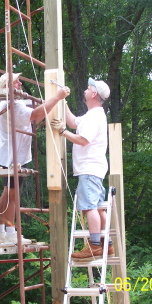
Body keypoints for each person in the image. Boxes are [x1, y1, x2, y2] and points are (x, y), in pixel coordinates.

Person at [0, 72, 71, 244]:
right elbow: (35, 115)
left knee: (8, 193)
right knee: (11, 195)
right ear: (7, 87)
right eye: (15, 82)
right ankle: (11, 233)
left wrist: (52, 102)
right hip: (12, 157)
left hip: (14, 155)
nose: (19, 83)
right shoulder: (10, 104)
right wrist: (56, 97)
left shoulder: (15, 103)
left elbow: (35, 116)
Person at [51, 77, 113, 260]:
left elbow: (84, 140)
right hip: (93, 169)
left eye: (88, 88)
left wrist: (63, 133)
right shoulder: (91, 115)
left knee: (89, 207)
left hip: (89, 169)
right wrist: (62, 100)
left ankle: (94, 245)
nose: (85, 91)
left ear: (93, 94)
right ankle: (105, 244)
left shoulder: (95, 116)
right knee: (98, 208)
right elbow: (72, 122)